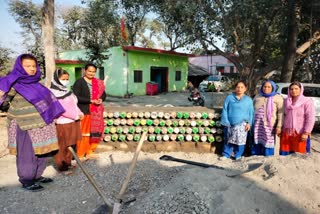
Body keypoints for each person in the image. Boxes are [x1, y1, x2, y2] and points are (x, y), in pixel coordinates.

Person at [0, 54, 65, 192]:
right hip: (25, 124)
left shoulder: (37, 83)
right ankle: (27, 179)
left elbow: (47, 102)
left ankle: (37, 175)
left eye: (33, 66)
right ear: (19, 67)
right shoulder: (13, 83)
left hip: (42, 124)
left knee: (42, 151)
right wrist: (3, 90)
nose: (31, 69)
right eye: (27, 66)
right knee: (27, 153)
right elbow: (3, 103)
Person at [50, 68, 83, 175]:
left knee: (71, 143)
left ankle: (68, 162)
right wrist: (75, 115)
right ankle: (62, 166)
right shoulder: (53, 93)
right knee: (62, 145)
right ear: (56, 79)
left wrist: (80, 113)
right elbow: (61, 109)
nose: (65, 81)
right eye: (63, 79)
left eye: (67, 79)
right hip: (62, 122)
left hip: (73, 121)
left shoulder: (66, 91)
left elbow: (74, 104)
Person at [73, 63, 107, 160]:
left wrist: (101, 99)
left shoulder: (98, 82)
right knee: (84, 133)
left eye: (93, 72)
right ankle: (80, 153)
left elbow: (103, 94)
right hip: (85, 110)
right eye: (89, 71)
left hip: (96, 112)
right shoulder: (79, 82)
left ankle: (90, 152)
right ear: (85, 71)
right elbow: (76, 97)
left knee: (95, 132)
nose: (91, 73)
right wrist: (90, 100)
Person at [220, 80, 254, 160]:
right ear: (235, 88)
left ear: (245, 89)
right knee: (229, 139)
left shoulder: (248, 100)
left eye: (242, 87)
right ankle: (226, 154)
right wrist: (226, 121)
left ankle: (238, 155)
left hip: (242, 124)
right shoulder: (229, 98)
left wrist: (249, 123)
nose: (239, 89)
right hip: (230, 123)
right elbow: (225, 109)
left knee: (240, 140)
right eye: (238, 87)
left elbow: (251, 112)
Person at [280, 81, 315, 155]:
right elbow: (283, 115)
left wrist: (306, 132)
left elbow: (310, 118)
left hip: (300, 133)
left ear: (301, 89)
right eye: (291, 89)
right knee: (285, 156)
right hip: (287, 133)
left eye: (296, 89)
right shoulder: (286, 101)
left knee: (300, 155)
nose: (293, 91)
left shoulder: (307, 101)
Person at [252, 80, 283, 156]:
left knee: (268, 141)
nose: (266, 88)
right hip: (257, 125)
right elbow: (251, 109)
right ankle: (256, 155)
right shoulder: (257, 96)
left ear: (273, 88)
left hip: (270, 125)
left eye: (269, 87)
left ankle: (267, 155)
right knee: (257, 140)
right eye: (264, 86)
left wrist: (279, 126)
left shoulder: (277, 98)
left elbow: (281, 113)